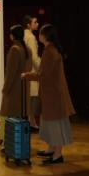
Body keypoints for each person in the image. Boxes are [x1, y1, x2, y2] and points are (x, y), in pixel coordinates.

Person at [22, 24, 74, 165]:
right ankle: (52, 149)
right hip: (52, 93)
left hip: (53, 95)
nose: (38, 35)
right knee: (50, 123)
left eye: (40, 33)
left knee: (55, 124)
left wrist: (27, 75)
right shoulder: (51, 50)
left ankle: (57, 155)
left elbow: (43, 75)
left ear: (45, 36)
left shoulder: (49, 52)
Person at [0, 25, 32, 146]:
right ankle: (21, 143)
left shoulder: (14, 49)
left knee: (10, 116)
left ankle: (10, 143)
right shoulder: (28, 49)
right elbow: (28, 69)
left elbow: (10, 73)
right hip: (24, 87)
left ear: (12, 36)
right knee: (21, 117)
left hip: (14, 89)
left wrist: (5, 89)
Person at [22, 15, 41, 129]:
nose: (37, 24)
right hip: (32, 70)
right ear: (28, 25)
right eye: (35, 22)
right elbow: (34, 57)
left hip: (24, 69)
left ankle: (32, 122)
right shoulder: (31, 37)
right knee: (33, 98)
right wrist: (41, 68)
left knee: (28, 97)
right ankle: (31, 123)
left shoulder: (23, 36)